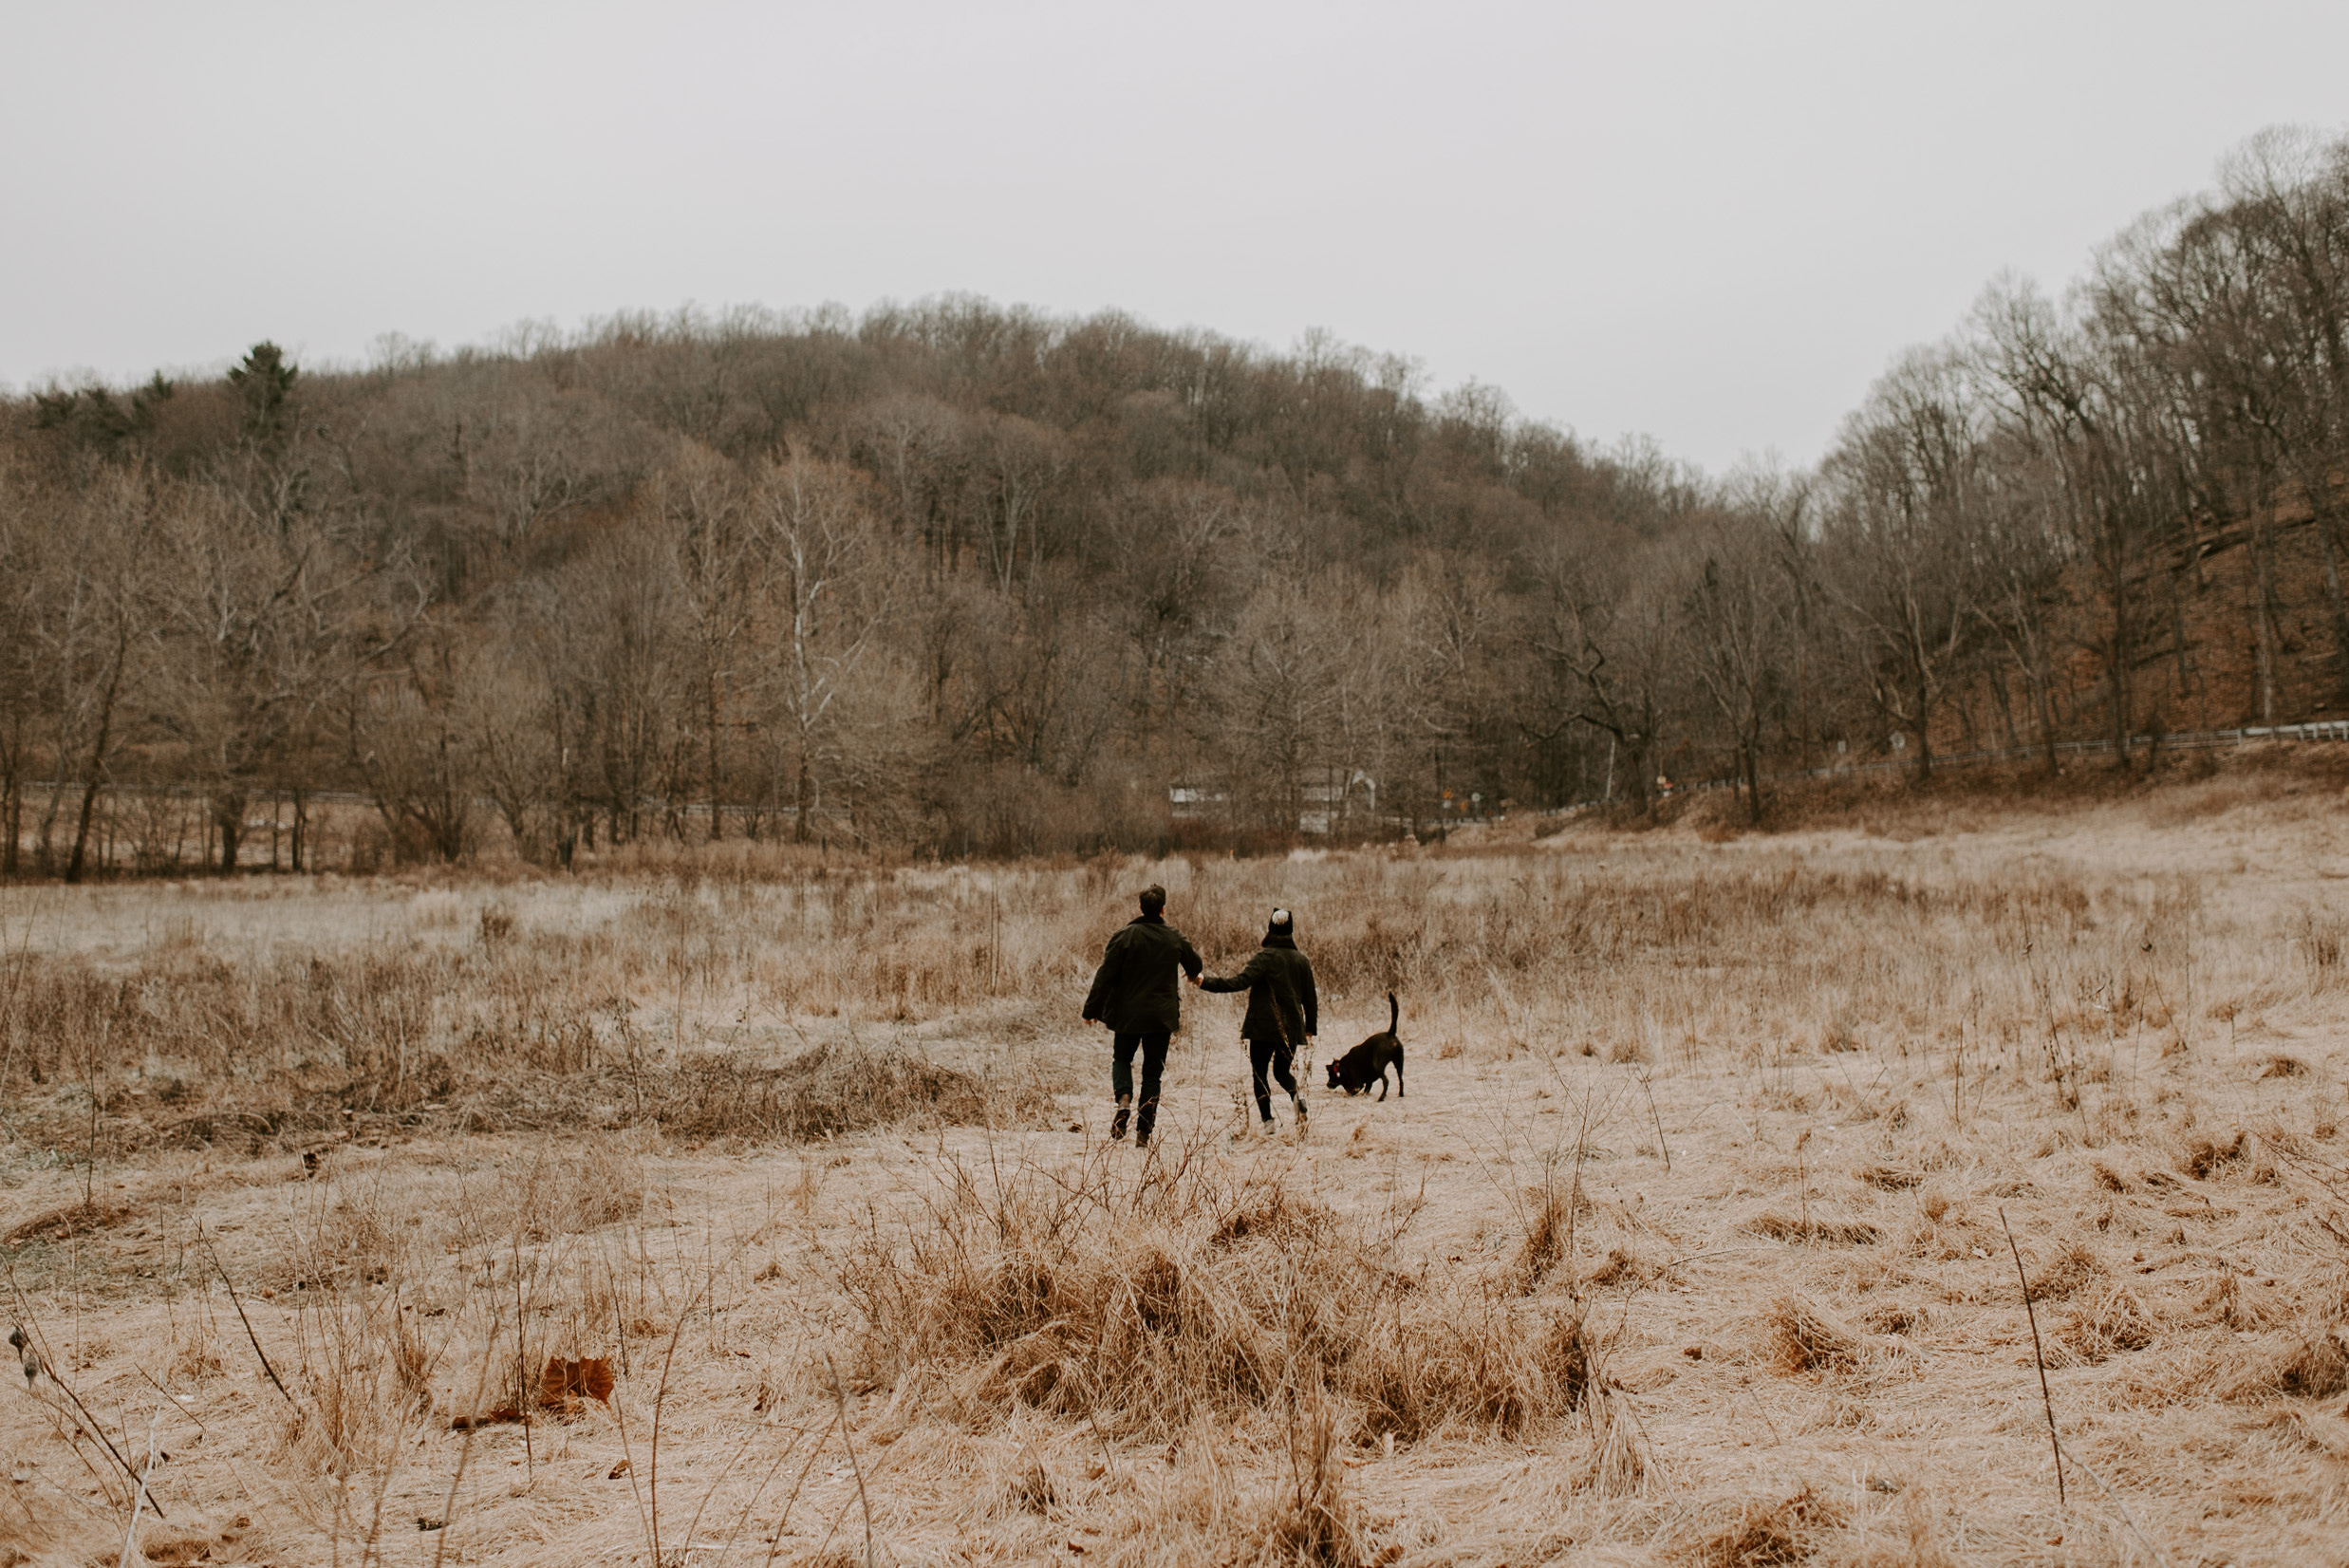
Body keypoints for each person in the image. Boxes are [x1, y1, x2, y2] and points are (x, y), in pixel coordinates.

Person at [1080, 884, 1202, 1148]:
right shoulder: (1174, 937)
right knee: (1151, 1075)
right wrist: (1192, 974)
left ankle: (1123, 1098)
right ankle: (1143, 1133)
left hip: (1128, 1016)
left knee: (1122, 1058)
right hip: (1160, 1018)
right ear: (1163, 909)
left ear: (1140, 907)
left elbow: (1105, 975)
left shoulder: (1124, 936)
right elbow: (1196, 965)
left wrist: (1091, 1010)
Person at [1196, 907, 1317, 1134]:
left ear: (1270, 930)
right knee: (1282, 1072)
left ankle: (1268, 1123)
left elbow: (1238, 982)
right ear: (1291, 931)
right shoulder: (1302, 960)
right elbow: (1311, 998)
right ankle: (1297, 1096)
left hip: (1263, 1026)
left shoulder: (1264, 958)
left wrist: (1205, 982)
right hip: (1290, 1028)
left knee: (1259, 1074)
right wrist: (1309, 1028)